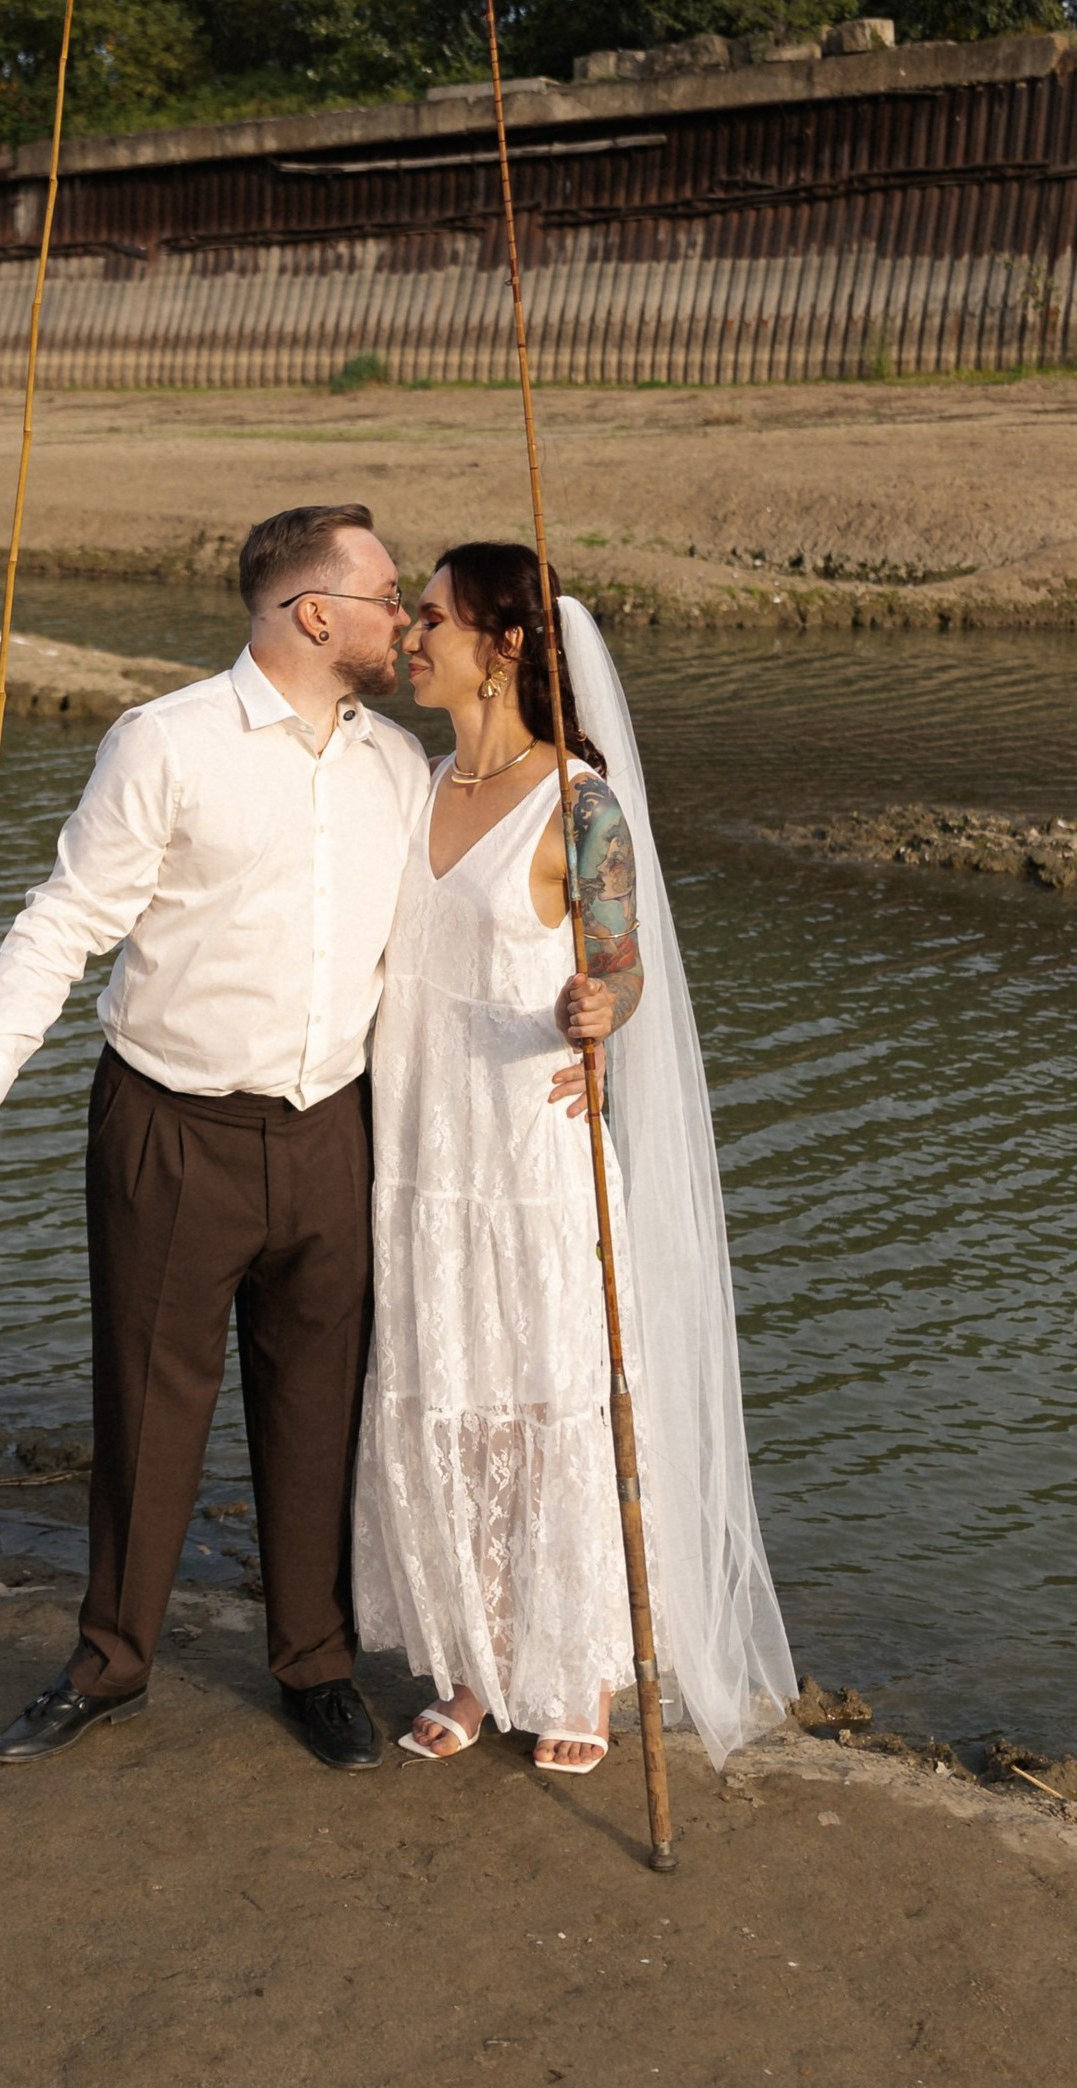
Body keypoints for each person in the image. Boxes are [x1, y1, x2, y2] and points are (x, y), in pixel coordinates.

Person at [0, 504, 586, 1772]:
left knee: (320, 1410)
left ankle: (315, 1664)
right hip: (170, 1126)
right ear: (314, 612)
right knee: (149, 1406)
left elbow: (484, 933)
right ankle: (110, 1664)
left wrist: (582, 1037)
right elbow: (65, 919)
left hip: (336, 1132)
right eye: (388, 599)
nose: (405, 624)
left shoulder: (402, 767)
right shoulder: (164, 742)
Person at [352, 543, 795, 1774]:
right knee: (452, 1404)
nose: (411, 637)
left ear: (501, 647)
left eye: (431, 618)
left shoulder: (579, 807)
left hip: (529, 1153)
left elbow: (623, 967)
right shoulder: (413, 787)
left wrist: (602, 1011)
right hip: (419, 1151)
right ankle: (476, 1660)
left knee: (551, 1405)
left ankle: (579, 1665)